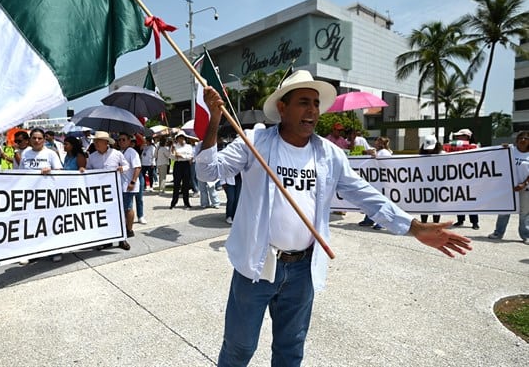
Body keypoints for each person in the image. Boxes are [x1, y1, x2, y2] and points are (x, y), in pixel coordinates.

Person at [195, 70, 472, 367]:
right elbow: (208, 172)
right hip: (256, 266)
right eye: (303, 102)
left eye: (315, 103)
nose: (313, 110)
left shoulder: (329, 155)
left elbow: (365, 195)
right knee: (239, 348)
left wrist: (413, 227)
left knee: (290, 350)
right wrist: (214, 119)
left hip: (302, 270)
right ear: (282, 108)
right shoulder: (255, 142)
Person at [17, 128, 64, 262]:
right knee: (31, 224)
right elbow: (21, 173)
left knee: (50, 222)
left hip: (48, 195)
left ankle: (55, 250)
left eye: (39, 138)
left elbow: (60, 172)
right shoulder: (26, 153)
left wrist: (51, 170)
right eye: (34, 138)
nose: (37, 141)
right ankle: (31, 252)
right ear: (30, 139)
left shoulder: (51, 154)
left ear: (44, 139)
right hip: (30, 195)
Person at [82, 131, 131, 251]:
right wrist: (84, 170)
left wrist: (122, 168)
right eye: (95, 141)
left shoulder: (116, 154)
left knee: (119, 214)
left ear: (105, 142)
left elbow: (127, 166)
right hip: (100, 193)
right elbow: (88, 170)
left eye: (98, 141)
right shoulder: (92, 157)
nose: (95, 143)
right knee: (104, 215)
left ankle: (122, 239)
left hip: (115, 190)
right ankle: (107, 240)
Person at [488, 131, 529, 244]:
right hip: (508, 188)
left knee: (524, 213)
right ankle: (498, 233)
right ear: (516, 140)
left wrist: (524, 184)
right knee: (504, 212)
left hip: (525, 189)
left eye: (526, 138)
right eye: (520, 138)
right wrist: (501, 149)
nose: (523, 140)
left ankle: (526, 235)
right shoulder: (511, 150)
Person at [358, 136, 393, 230]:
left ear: (381, 143)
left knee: (381, 202)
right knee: (372, 201)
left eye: (377, 142)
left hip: (383, 182)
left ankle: (382, 222)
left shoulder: (385, 152)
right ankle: (369, 219)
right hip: (376, 181)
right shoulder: (379, 151)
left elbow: (382, 162)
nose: (375, 144)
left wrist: (373, 154)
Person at [451, 128, 480, 229]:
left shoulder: (475, 147)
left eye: (460, 136)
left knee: (471, 200)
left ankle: (475, 222)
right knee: (459, 199)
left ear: (467, 137)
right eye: (457, 136)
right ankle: (460, 220)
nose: (458, 137)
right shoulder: (453, 146)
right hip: (458, 176)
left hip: (470, 177)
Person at [117, 133, 143, 232]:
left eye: (123, 139)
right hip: (121, 185)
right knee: (123, 207)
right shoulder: (120, 152)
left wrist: (133, 182)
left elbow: (138, 167)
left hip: (129, 184)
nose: (121, 142)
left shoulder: (132, 151)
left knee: (128, 207)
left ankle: (129, 229)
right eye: (119, 140)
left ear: (129, 141)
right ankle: (125, 227)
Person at [418, 134, 444, 224]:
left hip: (438, 183)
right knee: (424, 204)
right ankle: (423, 224)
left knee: (436, 205)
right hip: (424, 183)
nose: (429, 150)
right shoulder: (421, 154)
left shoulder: (442, 154)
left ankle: (435, 224)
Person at [170, 131, 193, 209]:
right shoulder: (174, 146)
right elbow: (172, 157)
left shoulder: (189, 147)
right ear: (177, 139)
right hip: (178, 165)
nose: (181, 139)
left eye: (183, 138)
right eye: (179, 138)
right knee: (176, 184)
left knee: (186, 185)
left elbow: (190, 157)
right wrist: (173, 151)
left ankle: (186, 203)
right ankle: (173, 203)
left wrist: (181, 155)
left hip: (186, 165)